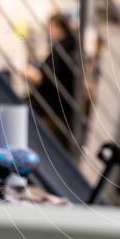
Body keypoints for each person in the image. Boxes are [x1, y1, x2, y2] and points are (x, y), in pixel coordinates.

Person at [24, 13, 80, 151]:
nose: (47, 30)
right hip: (63, 104)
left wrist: (26, 72)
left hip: (52, 105)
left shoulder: (61, 49)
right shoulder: (71, 46)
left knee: (16, 105)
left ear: (59, 28)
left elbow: (43, 77)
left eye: (49, 26)